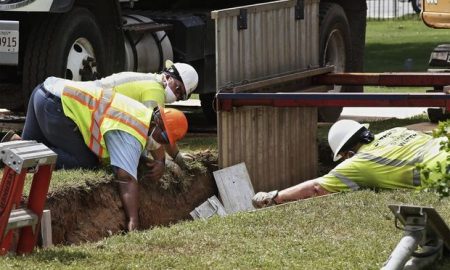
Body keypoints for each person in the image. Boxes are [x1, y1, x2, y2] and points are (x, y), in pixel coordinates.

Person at [6, 82, 188, 231]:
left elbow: (153, 140)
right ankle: (16, 147)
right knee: (85, 162)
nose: (162, 143)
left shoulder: (142, 113)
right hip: (57, 107)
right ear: (157, 123)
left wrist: (160, 161)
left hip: (44, 91)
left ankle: (10, 142)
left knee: (23, 154)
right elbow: (125, 178)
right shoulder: (131, 131)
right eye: (164, 138)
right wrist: (134, 220)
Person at [40, 60, 199, 174]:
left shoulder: (152, 83)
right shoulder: (155, 90)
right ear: (169, 76)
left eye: (181, 95)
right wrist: (162, 162)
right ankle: (36, 160)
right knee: (86, 163)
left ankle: (24, 148)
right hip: (78, 108)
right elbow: (156, 134)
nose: (177, 95)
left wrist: (176, 156)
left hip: (69, 100)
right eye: (177, 88)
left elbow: (163, 132)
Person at [252, 119, 448, 208]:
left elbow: (316, 188)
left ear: (348, 153)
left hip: (440, 173)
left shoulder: (359, 162)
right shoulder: (395, 131)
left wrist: (275, 197)